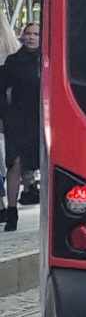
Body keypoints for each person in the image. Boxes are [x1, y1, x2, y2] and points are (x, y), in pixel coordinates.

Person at [1, 20, 38, 232]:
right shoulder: (13, 62)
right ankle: (12, 212)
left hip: (40, 119)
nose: (32, 37)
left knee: (44, 164)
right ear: (22, 36)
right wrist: (5, 115)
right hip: (17, 119)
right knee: (14, 163)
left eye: (36, 34)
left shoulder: (48, 59)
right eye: (29, 33)